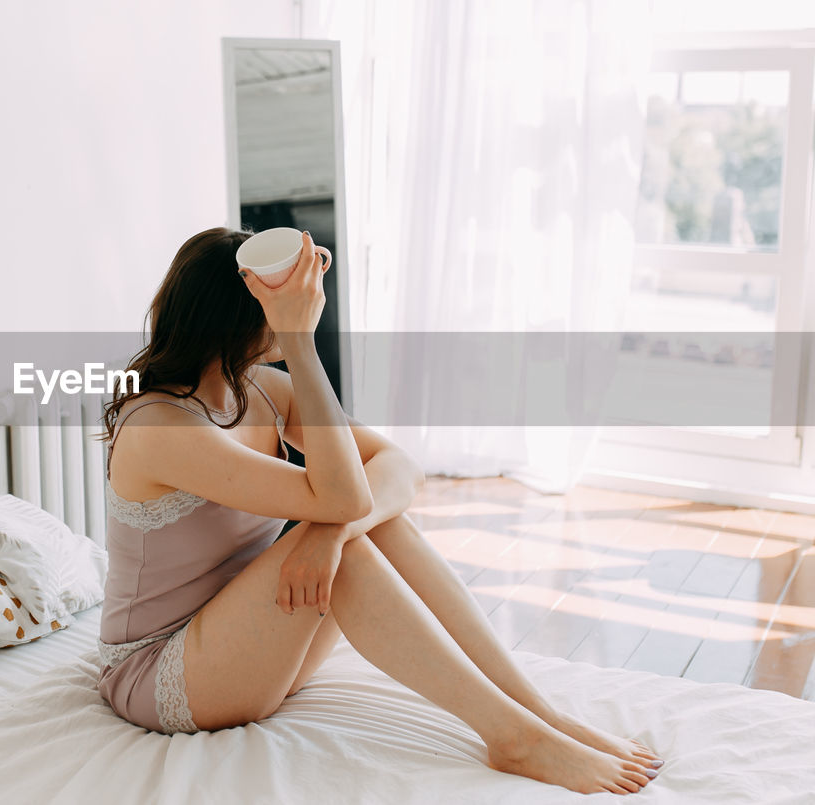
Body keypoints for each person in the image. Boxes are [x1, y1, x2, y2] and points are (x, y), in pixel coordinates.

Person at [95, 227, 664, 795]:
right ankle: (515, 738)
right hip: (160, 673)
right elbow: (345, 496)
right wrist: (301, 343)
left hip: (247, 651)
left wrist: (328, 536)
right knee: (349, 540)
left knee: (357, 531)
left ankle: (540, 714)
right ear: (242, 314)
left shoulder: (263, 390)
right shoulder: (160, 427)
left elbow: (398, 465)